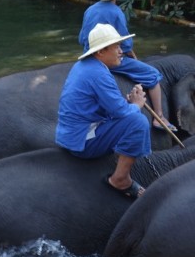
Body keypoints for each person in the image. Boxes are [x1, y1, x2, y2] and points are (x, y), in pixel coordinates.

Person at [56, 23, 152, 199]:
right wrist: (136, 104)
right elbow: (122, 113)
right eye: (116, 47)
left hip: (69, 135)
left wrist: (127, 102)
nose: (120, 51)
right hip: (81, 142)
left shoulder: (85, 66)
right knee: (139, 122)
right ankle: (120, 179)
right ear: (100, 52)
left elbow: (112, 106)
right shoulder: (98, 73)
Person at [79, 0, 176, 133]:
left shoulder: (90, 10)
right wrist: (133, 56)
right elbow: (124, 44)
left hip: (90, 54)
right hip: (107, 58)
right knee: (153, 75)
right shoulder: (116, 12)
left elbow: (82, 39)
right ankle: (159, 117)